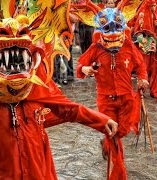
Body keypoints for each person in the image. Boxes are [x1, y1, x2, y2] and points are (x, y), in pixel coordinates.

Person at [76, 7, 149, 179]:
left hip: (126, 99)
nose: (113, 34)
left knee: (122, 131)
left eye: (117, 28)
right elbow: (79, 68)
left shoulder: (129, 46)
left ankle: (106, 144)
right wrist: (86, 68)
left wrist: (143, 79)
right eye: (108, 29)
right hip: (105, 99)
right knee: (113, 134)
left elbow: (141, 66)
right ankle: (119, 171)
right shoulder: (95, 48)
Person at [133, 0, 157, 98]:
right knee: (144, 68)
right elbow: (137, 33)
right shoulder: (142, 14)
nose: (154, 7)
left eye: (155, 5)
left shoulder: (154, 14)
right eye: (152, 5)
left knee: (155, 68)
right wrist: (145, 43)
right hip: (145, 47)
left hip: (155, 44)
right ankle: (141, 90)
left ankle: (155, 90)